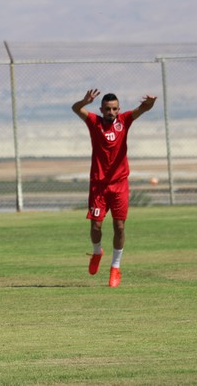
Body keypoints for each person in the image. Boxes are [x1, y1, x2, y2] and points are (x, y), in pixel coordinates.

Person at [72, 89, 157, 287]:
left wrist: (150, 102)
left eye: (114, 109)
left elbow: (143, 109)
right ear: (101, 109)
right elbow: (75, 109)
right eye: (108, 109)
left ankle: (115, 268)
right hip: (98, 185)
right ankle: (96, 252)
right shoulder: (94, 122)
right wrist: (84, 101)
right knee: (96, 226)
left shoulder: (124, 121)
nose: (111, 112)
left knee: (119, 226)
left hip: (119, 184)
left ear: (119, 110)